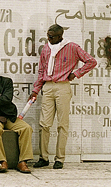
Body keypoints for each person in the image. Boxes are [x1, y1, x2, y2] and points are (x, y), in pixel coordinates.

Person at [30, 24, 97, 169]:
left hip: (62, 86)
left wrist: (76, 74)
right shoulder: (46, 48)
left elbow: (91, 61)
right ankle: (44, 157)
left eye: (52, 36)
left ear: (60, 36)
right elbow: (41, 70)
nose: (49, 38)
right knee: (44, 124)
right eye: (48, 35)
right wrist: (36, 89)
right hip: (48, 86)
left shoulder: (72, 47)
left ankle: (59, 158)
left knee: (62, 124)